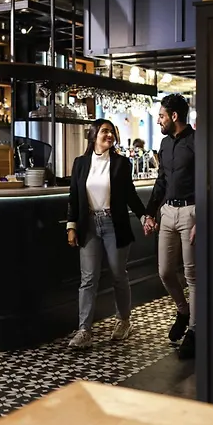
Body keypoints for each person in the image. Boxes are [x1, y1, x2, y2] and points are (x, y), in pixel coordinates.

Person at [66, 119, 150, 349]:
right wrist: (71, 226)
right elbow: (74, 197)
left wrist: (144, 216)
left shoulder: (121, 163)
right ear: (93, 135)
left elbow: (130, 194)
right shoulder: (80, 163)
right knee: (88, 279)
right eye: (105, 131)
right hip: (89, 225)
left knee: (118, 274)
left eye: (112, 132)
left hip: (114, 224)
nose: (109, 135)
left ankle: (123, 321)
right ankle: (84, 330)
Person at [144, 94, 196, 360]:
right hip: (167, 212)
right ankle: (183, 311)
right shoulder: (164, 144)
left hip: (191, 212)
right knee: (165, 271)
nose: (159, 121)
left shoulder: (197, 141)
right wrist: (150, 212)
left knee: (192, 276)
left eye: (162, 116)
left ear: (174, 116)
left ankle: (195, 331)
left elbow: (208, 179)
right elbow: (161, 180)